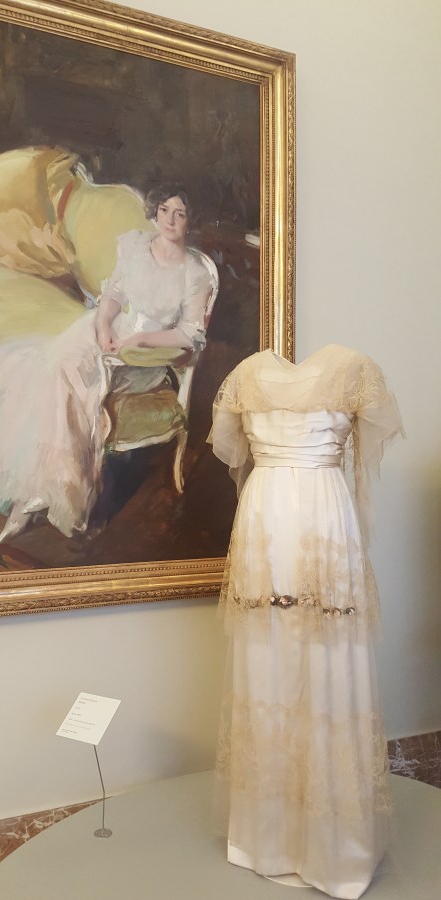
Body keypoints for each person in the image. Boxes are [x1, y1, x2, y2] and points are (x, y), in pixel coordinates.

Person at [209, 345, 404, 900]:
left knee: (285, 657)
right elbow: (372, 446)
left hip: (269, 512)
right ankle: (319, 845)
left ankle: (271, 841)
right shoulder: (353, 370)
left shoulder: (247, 375)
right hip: (319, 510)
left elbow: (230, 448)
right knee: (302, 656)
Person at [0, 185, 213, 543]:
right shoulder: (136, 247)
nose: (169, 220)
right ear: (154, 212)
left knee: (69, 379)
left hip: (145, 356)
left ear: (190, 220)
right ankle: (36, 487)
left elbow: (188, 335)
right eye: (163, 211)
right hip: (106, 332)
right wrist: (103, 324)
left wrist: (138, 341)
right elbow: (113, 295)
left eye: (179, 214)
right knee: (51, 368)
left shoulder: (194, 272)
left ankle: (47, 493)